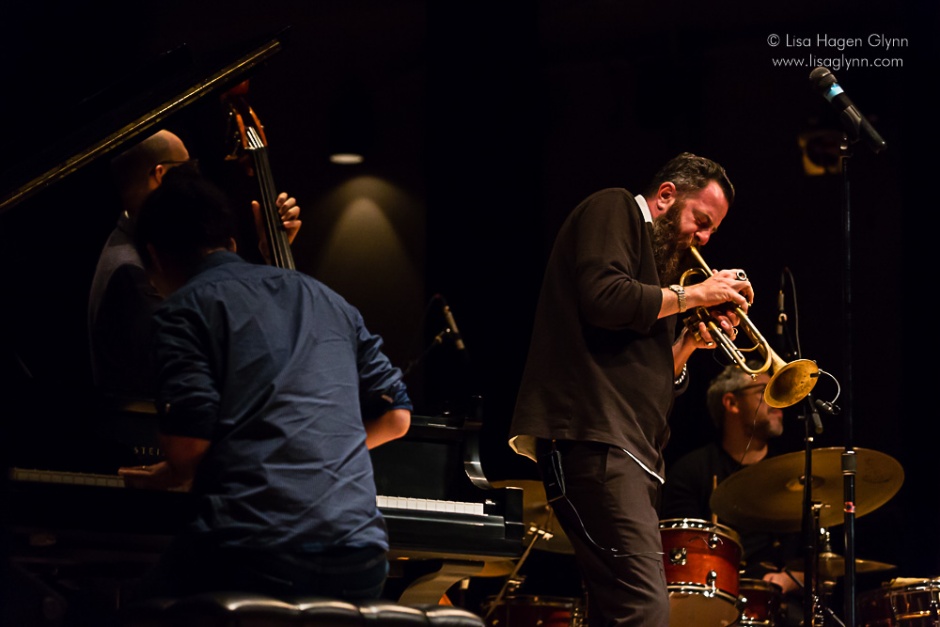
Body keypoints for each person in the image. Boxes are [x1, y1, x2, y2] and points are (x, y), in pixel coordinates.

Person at [117, 169, 412, 601]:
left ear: (154, 257)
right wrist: (309, 451)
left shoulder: (183, 310)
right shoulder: (329, 300)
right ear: (231, 243)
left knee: (126, 604)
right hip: (362, 561)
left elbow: (188, 449)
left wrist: (170, 473)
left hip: (254, 555)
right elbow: (397, 418)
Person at [508, 152, 754, 627]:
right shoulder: (614, 206)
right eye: (700, 221)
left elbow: (652, 378)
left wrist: (689, 341)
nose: (703, 238)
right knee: (645, 609)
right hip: (595, 441)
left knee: (614, 613)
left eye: (712, 231)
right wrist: (696, 294)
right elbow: (603, 297)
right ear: (666, 196)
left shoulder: (661, 278)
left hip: (633, 455)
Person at [87, 129, 301, 401]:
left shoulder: (138, 248)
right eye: (189, 168)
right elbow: (194, 368)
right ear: (161, 175)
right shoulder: (132, 271)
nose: (196, 180)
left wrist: (271, 256)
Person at [661, 362, 805, 626]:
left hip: (777, 602)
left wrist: (789, 580)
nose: (779, 403)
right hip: (713, 601)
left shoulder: (793, 476)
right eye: (765, 392)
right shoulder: (690, 472)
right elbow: (680, 560)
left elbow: (820, 564)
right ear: (731, 403)